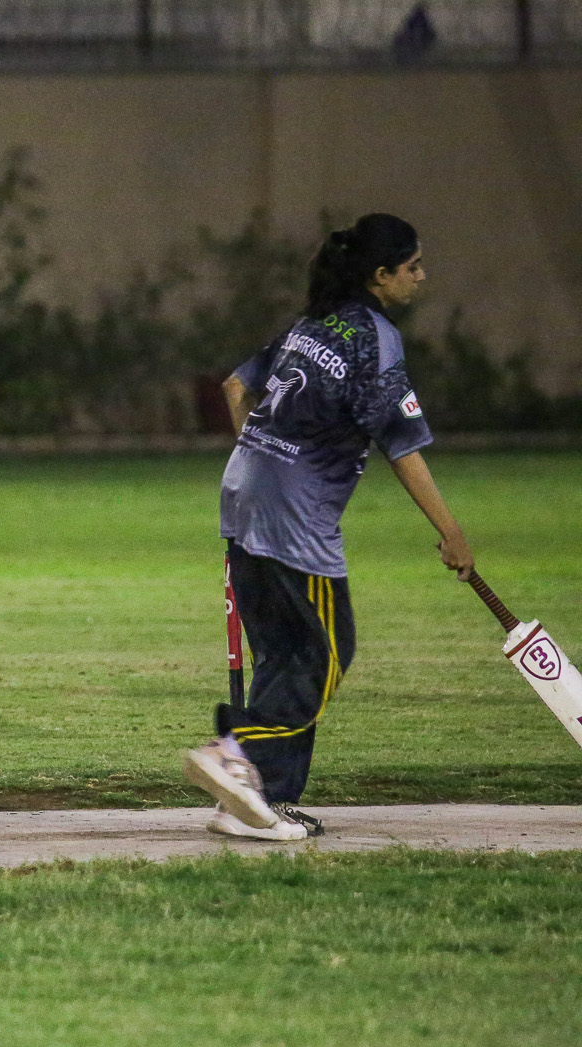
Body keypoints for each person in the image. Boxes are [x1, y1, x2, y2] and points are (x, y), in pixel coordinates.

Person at [184, 213, 474, 840]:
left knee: (283, 655)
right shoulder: (375, 340)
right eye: (413, 266)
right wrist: (451, 532)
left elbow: (235, 387)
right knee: (325, 653)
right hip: (295, 517)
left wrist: (261, 455)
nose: (422, 276)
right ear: (381, 275)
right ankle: (233, 753)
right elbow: (402, 445)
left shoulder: (311, 324)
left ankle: (259, 804)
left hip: (243, 492)